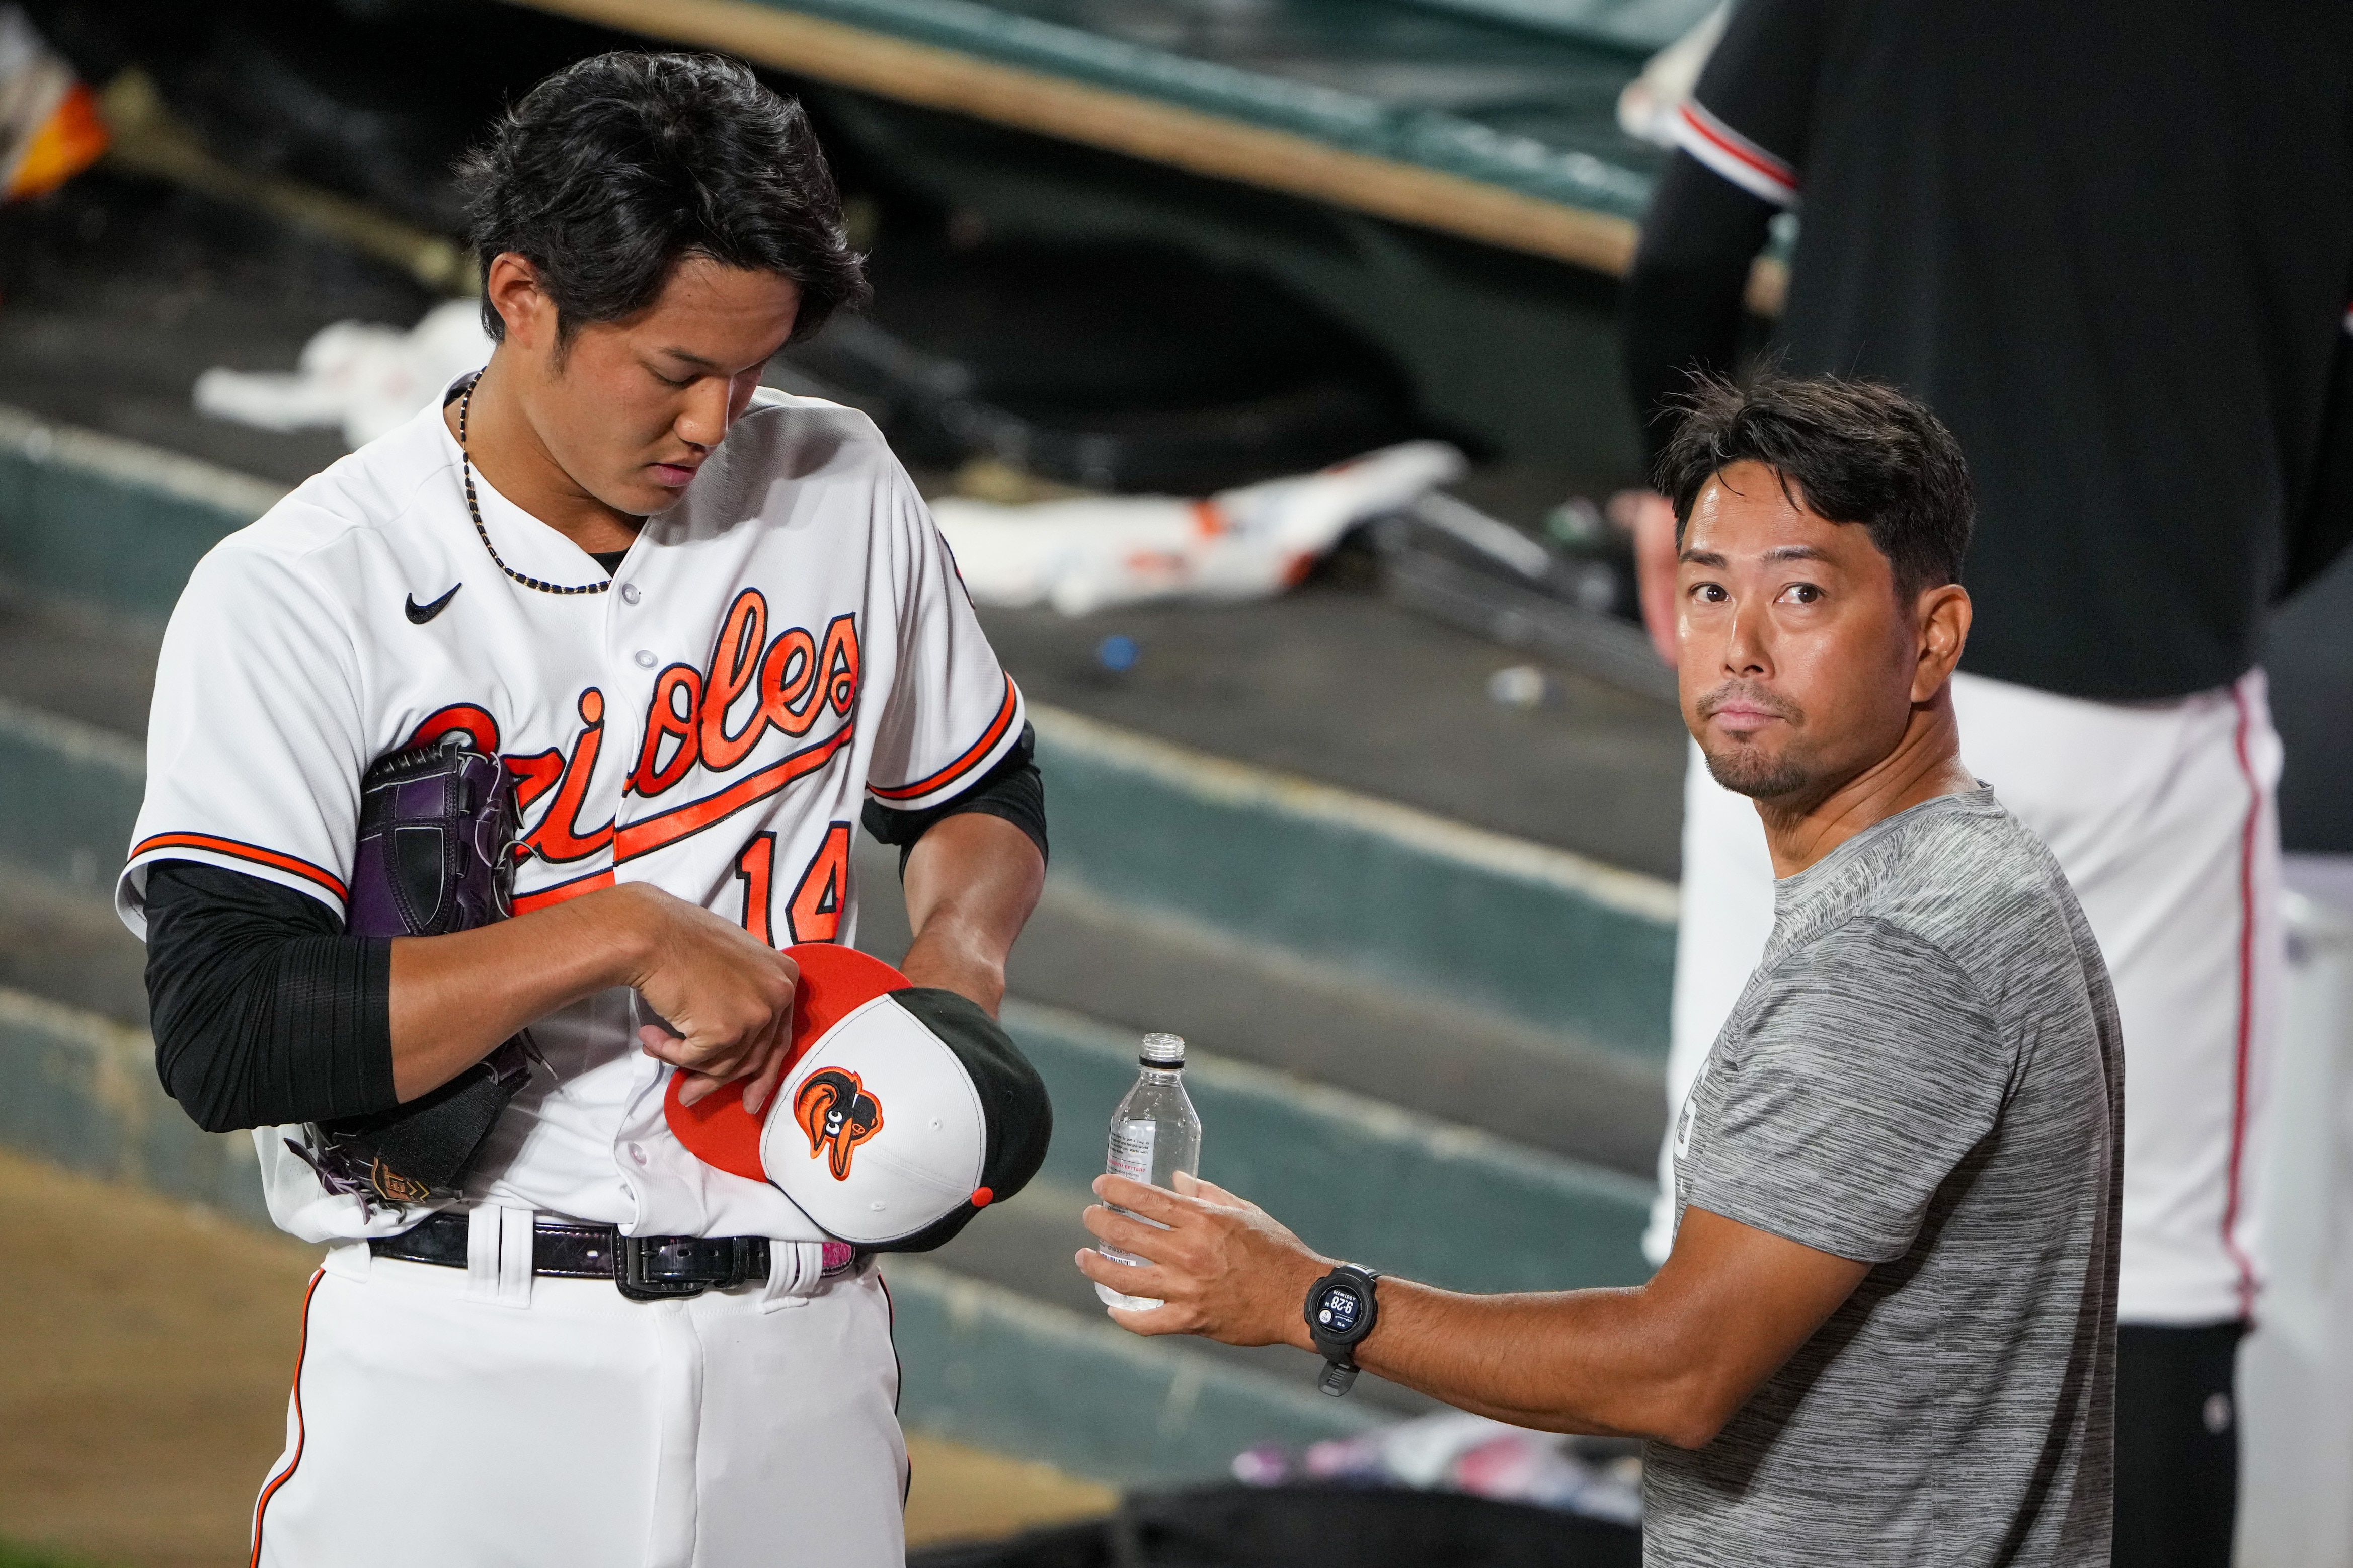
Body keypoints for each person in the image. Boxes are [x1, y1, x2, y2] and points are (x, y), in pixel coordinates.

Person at [117, 53, 1047, 1567]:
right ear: (523, 296)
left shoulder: (838, 484)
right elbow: (228, 1030)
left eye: (751, 369)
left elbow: (975, 782)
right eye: (672, 367)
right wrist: (614, 932)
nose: (715, 417)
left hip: (792, 1354)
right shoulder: (304, 588)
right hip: (459, 1350)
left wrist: (958, 968)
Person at [1080, 374, 2122, 1566]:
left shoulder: (1896, 955)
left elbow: (1677, 1369)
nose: (1738, 646)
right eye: (1707, 590)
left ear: (1930, 636)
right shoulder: (1963, 876)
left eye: (1800, 593)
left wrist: (1312, 1299)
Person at [1617, 5, 2353, 1557]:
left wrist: (1685, 520)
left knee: (1737, 1263)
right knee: (2147, 1284)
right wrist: (2235, 553)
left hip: (1816, 682)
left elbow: (1690, 241)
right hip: (2140, 701)